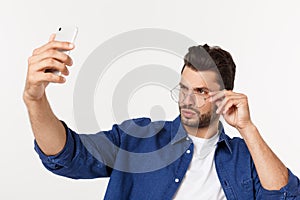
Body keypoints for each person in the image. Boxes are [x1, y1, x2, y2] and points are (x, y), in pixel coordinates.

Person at [23, 34, 300, 200]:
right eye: (183, 88)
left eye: (201, 91)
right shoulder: (138, 139)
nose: (187, 100)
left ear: (224, 96)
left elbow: (287, 196)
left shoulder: (245, 158)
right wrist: (35, 100)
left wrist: (248, 128)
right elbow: (67, 155)